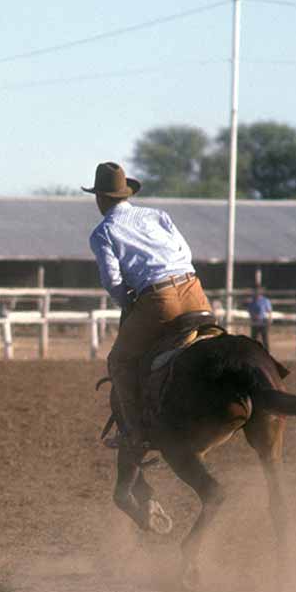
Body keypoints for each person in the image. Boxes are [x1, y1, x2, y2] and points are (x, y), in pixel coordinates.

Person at [86, 162, 213, 452]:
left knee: (119, 361)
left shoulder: (103, 232)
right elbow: (185, 252)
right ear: (125, 194)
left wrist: (129, 303)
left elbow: (112, 280)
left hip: (159, 301)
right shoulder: (157, 215)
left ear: (100, 198)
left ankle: (135, 432)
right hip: (194, 291)